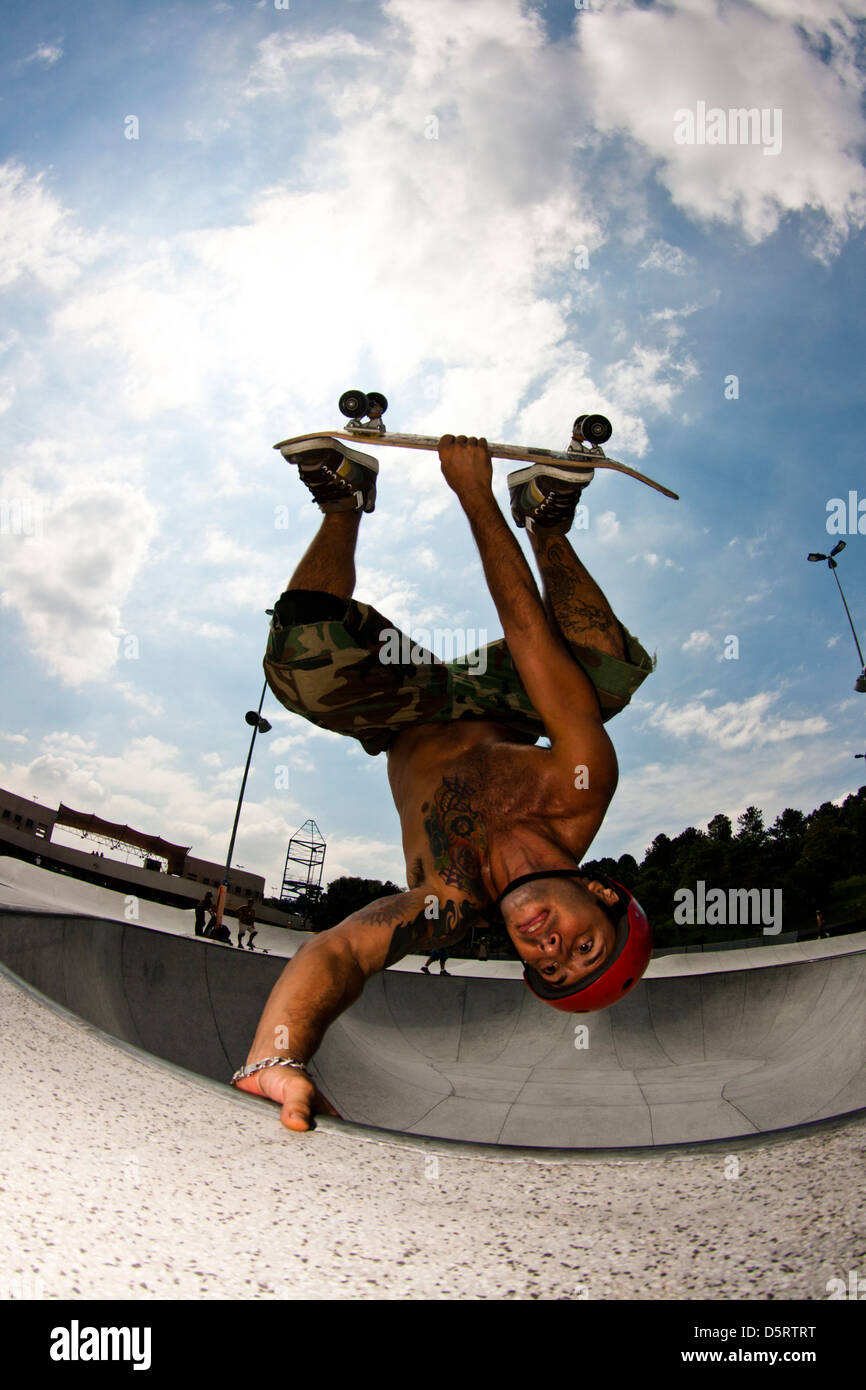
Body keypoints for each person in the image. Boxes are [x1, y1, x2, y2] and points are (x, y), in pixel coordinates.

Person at [234, 433, 655, 1130]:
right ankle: (545, 520)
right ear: (603, 895)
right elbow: (530, 638)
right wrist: (476, 496)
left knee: (300, 662)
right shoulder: (578, 788)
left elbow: (340, 950)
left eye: (550, 970)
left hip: (403, 709)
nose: (550, 949)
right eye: (584, 946)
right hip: (504, 697)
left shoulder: (446, 903)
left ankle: (345, 505)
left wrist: (277, 1053)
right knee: (605, 670)